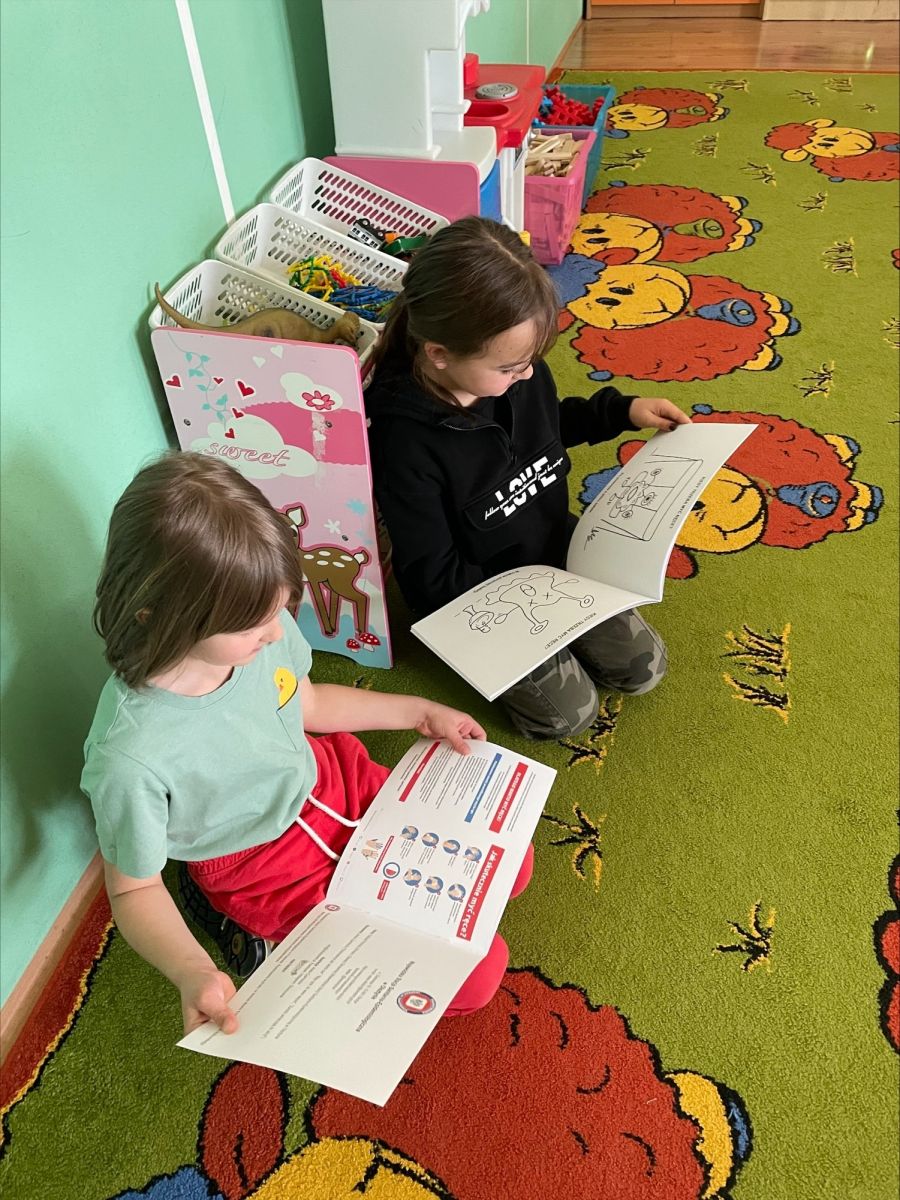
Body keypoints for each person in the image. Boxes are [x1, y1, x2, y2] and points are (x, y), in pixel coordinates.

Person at [80, 451, 533, 1036]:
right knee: (478, 976)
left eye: (279, 609)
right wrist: (192, 969)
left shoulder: (261, 628)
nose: (276, 632)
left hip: (335, 781)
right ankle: (238, 924)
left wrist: (418, 711)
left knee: (513, 865)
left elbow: (309, 703)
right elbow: (134, 888)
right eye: (253, 622)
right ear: (160, 613)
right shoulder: (129, 758)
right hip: (261, 866)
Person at [366, 216, 691, 740]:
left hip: (549, 550)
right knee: (568, 716)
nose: (528, 374)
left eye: (531, 361)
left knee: (642, 669)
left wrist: (621, 411)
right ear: (439, 354)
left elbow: (544, 426)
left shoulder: (517, 370)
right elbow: (433, 575)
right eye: (512, 368)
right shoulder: (404, 441)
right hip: (478, 596)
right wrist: (530, 616)